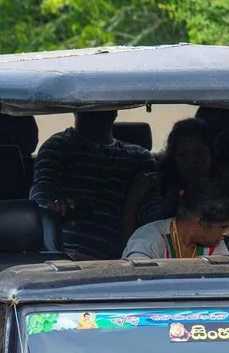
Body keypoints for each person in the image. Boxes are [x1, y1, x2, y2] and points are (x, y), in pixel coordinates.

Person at [29, 110, 156, 260]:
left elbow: (153, 214)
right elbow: (39, 198)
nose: (95, 112)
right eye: (89, 106)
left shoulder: (139, 158)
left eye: (101, 105)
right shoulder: (59, 146)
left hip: (120, 263)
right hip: (62, 257)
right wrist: (55, 208)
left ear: (115, 109)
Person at [121, 118, 214, 239]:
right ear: (174, 160)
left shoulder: (225, 190)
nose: (192, 161)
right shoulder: (160, 195)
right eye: (184, 155)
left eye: (198, 152)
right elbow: (147, 237)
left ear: (211, 153)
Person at [122, 187, 229, 259]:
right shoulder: (149, 240)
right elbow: (138, 286)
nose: (227, 233)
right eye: (223, 227)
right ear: (200, 223)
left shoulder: (214, 242)